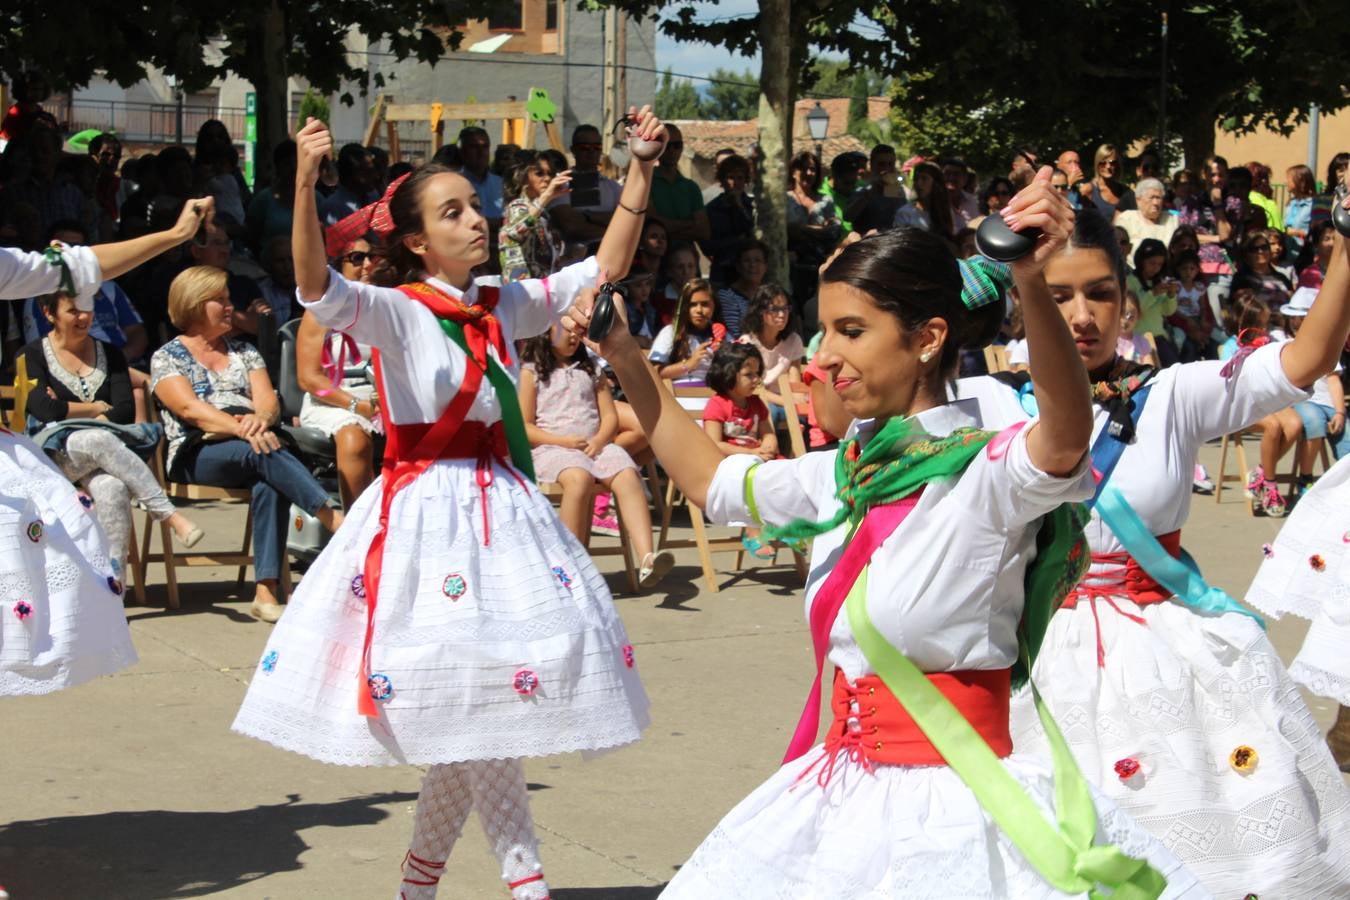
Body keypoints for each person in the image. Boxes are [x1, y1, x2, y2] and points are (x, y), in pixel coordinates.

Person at [563, 169, 1200, 897]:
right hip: (836, 796)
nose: (823, 356)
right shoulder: (839, 474)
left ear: (929, 338)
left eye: (852, 331)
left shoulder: (988, 473)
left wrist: (1029, 279)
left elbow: (1062, 438)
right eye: (825, 329)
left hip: (956, 807)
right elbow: (710, 481)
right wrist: (623, 355)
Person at [232, 109, 664, 900]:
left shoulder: (503, 303)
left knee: (481, 713)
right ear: (417, 242)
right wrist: (302, 182)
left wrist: (639, 165)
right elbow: (314, 285)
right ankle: (522, 885)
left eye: (477, 204)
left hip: (503, 515)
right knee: (477, 712)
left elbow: (603, 266)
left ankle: (421, 887)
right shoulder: (396, 310)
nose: (478, 220)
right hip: (429, 520)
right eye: (453, 212)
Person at [956, 197, 1350, 895]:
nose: (1082, 315)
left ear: (1127, 306)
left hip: (1164, 651)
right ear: (1024, 305)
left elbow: (1306, 358)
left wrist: (1344, 252)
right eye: (1058, 296)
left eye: (1100, 294)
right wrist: (984, 263)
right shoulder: (984, 402)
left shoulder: (1173, 394)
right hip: (1033, 649)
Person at [1, 195, 215, 698]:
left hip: (66, 452)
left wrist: (175, 236)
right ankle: (165, 515)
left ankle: (114, 586)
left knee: (99, 497)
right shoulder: (38, 349)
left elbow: (82, 265)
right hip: (57, 444)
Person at [150, 265, 340, 623]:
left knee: (268, 478)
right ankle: (332, 518)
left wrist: (261, 420)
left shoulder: (245, 352)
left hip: (255, 447)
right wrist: (242, 429)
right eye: (219, 300)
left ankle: (266, 592)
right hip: (198, 450)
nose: (229, 307)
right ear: (193, 304)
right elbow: (191, 411)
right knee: (262, 451)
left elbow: (269, 402)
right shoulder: (167, 356)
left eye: (227, 299)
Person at [23, 289, 203, 578]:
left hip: (104, 457)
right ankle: (167, 514)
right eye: (73, 311)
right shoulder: (32, 354)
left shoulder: (110, 353)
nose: (84, 317)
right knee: (97, 438)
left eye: (87, 308)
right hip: (54, 459)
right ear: (49, 313)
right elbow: (43, 409)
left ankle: (113, 586)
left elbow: (123, 411)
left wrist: (69, 409)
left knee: (113, 489)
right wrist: (96, 406)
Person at [519, 325, 674, 587]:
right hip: (553, 448)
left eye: (576, 331)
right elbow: (525, 425)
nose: (572, 336)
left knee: (627, 473)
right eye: (565, 329)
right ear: (545, 330)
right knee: (578, 479)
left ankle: (647, 558)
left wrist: (601, 439)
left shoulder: (590, 368)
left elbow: (609, 415)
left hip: (595, 446)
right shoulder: (531, 371)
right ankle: (570, 564)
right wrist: (561, 441)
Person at [702, 342, 778, 558]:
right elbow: (714, 444)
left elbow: (768, 433)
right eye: (748, 374)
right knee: (752, 476)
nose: (756, 379)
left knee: (787, 472)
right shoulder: (717, 405)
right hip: (730, 465)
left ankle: (785, 523)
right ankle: (753, 534)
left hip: (757, 459)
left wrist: (769, 444)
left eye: (757, 373)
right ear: (728, 374)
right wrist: (752, 454)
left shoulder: (756, 404)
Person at [737, 282, 805, 422]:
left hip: (786, 398)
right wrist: (786, 401)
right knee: (769, 413)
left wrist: (798, 400)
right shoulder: (747, 343)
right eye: (774, 309)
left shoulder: (794, 340)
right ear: (760, 311)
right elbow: (753, 387)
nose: (781, 314)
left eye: (785, 308)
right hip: (756, 398)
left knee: (804, 416)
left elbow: (794, 383)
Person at [498, 151, 570, 282]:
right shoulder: (518, 206)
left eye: (550, 173)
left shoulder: (543, 213)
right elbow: (516, 232)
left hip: (539, 290)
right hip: (521, 292)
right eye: (539, 173)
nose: (548, 179)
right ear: (523, 177)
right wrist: (546, 197)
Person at [547, 124, 621, 244]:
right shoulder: (562, 184)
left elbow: (624, 221)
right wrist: (611, 229)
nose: (591, 152)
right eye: (584, 147)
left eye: (596, 147)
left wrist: (586, 216)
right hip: (571, 258)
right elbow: (570, 227)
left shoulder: (613, 187)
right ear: (573, 150)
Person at [649, 124, 709, 243]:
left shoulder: (691, 187)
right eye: (667, 145)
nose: (672, 150)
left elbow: (704, 231)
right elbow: (650, 223)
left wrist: (667, 229)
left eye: (677, 145)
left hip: (686, 257)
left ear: (681, 148)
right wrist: (690, 223)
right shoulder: (647, 184)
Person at [701, 153, 755, 284]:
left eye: (740, 178)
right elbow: (707, 245)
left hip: (750, 272)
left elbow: (754, 234)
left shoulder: (753, 207)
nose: (735, 183)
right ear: (722, 180)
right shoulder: (712, 209)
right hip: (723, 272)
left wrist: (740, 207)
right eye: (730, 178)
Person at [650, 278, 717, 382]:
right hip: (678, 395)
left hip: (715, 395)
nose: (699, 310)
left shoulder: (722, 335)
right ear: (684, 307)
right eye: (693, 305)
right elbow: (654, 371)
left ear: (714, 305)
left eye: (705, 304)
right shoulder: (670, 332)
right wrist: (689, 364)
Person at [715, 239, 768, 338]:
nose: (752, 265)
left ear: (765, 267)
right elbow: (735, 334)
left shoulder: (770, 296)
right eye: (747, 261)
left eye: (758, 260)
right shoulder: (727, 295)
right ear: (738, 266)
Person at [454, 126, 503, 229]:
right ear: (462, 151)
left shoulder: (501, 183)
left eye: (485, 147)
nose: (481, 153)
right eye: (474, 147)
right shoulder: (454, 183)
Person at [319, 143, 378, 227]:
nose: (375, 176)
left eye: (373, 170)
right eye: (366, 172)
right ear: (350, 175)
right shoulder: (333, 207)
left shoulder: (373, 197)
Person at [1115, 178, 1177, 256]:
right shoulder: (1127, 219)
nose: (1156, 202)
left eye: (1158, 198)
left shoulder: (1172, 219)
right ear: (1138, 200)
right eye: (1151, 198)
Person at [892, 161, 953, 236]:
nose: (918, 183)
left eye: (924, 178)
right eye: (916, 179)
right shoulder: (905, 213)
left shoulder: (947, 211)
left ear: (936, 183)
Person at [1082, 143, 1136, 218]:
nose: (1108, 166)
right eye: (1103, 163)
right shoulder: (1088, 190)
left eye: (1112, 163)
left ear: (1117, 165)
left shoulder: (1126, 193)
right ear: (1097, 165)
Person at [1116, 292, 1158, 366]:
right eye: (1121, 313)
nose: (1125, 320)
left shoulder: (1142, 342)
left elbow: (1149, 368)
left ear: (1138, 315)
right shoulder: (1110, 342)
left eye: (1131, 316)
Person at [1285, 163, 1317, 248]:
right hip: (1288, 252)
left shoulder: (1313, 205)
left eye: (1289, 178)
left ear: (1300, 180)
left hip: (1304, 252)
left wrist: (1297, 233)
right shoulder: (1290, 204)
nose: (1286, 182)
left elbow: (1316, 232)